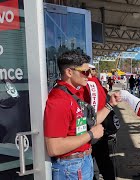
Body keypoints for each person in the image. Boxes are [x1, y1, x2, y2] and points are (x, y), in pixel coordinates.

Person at [44, 51, 120, 180]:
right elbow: (54, 147)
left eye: (90, 71)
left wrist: (110, 105)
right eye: (85, 72)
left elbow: (90, 121)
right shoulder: (59, 100)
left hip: (82, 162)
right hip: (70, 168)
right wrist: (91, 134)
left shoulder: (73, 94)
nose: (89, 76)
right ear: (69, 72)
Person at [83, 64, 117, 180]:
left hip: (91, 126)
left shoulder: (87, 84)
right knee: (104, 160)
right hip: (100, 124)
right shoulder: (96, 83)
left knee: (92, 160)